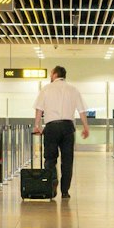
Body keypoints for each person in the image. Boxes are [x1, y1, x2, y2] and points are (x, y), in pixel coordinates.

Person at [31, 66, 89, 200]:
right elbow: (82, 110)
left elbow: (39, 109)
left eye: (51, 73)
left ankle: (52, 183)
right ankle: (65, 191)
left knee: (50, 159)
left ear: (55, 74)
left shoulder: (46, 89)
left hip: (51, 127)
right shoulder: (73, 89)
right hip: (68, 127)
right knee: (67, 160)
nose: (50, 76)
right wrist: (86, 127)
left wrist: (37, 126)